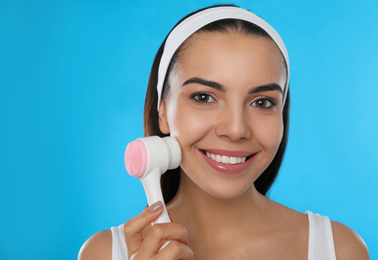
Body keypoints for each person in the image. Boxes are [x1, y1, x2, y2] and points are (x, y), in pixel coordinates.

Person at [78, 4, 369, 260]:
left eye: (262, 102)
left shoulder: (340, 250)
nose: (236, 129)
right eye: (204, 97)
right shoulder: (106, 253)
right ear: (163, 112)